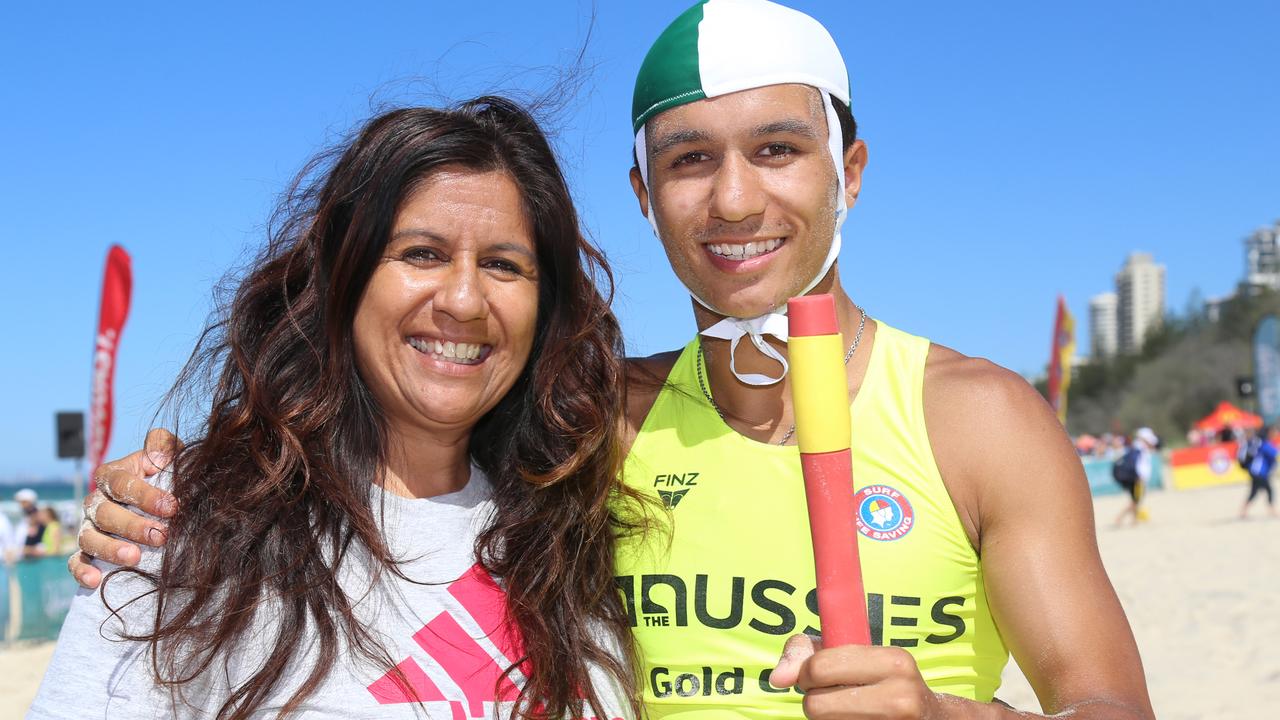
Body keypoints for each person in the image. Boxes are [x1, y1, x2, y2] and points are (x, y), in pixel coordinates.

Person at [74, 1, 1156, 718]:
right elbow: (413, 433)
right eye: (688, 161)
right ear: (642, 196)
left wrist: (944, 715)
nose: (732, 198)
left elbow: (1108, 703)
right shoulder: (596, 419)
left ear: (849, 170)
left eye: (777, 149)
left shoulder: (977, 418)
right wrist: (179, 491)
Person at [32, 97, 640, 719]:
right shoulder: (189, 522)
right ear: (343, 278)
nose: (464, 299)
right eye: (421, 254)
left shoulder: (582, 528)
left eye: (503, 264)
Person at [1112, 428, 1157, 526]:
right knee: (1136, 500)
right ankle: (1119, 518)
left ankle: (1134, 520)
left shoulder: (1138, 448)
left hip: (1136, 478)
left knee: (1135, 499)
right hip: (1137, 478)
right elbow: (1137, 464)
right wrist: (1138, 476)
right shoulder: (1138, 449)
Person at [1238, 426, 1277, 519]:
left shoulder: (1257, 444)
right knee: (1269, 490)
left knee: (1254, 492)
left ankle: (1243, 510)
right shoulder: (1264, 444)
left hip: (1254, 471)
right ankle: (1272, 509)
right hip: (1260, 472)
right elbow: (1275, 453)